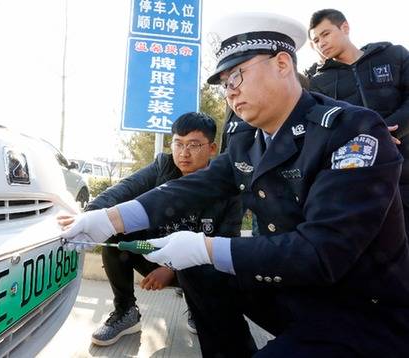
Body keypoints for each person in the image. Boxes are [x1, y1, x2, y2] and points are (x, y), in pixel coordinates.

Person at [59, 12, 409, 357]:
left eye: (237, 76)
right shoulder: (248, 138)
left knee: (202, 258)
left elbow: (322, 252)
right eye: (225, 83)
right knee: (198, 270)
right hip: (293, 293)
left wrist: (206, 248)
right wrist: (109, 219)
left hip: (358, 314)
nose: (230, 92)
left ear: (283, 64)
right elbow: (196, 186)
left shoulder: (352, 132)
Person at [76, 112, 243, 346]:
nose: (184, 153)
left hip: (199, 263)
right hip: (154, 251)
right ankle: (126, 311)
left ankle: (197, 306)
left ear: (212, 147)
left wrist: (171, 270)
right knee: (117, 237)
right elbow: (123, 189)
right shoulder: (163, 166)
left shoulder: (228, 185)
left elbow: (226, 243)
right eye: (178, 144)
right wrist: (89, 216)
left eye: (194, 145)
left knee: (215, 268)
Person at [307, 8, 409, 235]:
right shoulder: (318, 83)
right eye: (315, 40)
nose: (320, 43)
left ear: (345, 27)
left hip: (405, 171)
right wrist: (373, 138)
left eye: (325, 34)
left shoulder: (393, 55)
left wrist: (387, 131)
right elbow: (325, 131)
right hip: (362, 184)